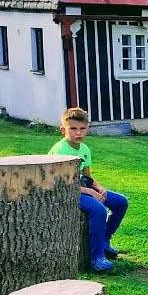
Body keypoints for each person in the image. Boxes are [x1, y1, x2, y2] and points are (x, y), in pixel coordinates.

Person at [48, 107, 128, 272]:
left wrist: (98, 187)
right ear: (63, 129)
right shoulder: (61, 150)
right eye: (73, 129)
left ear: (87, 128)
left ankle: (105, 240)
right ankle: (97, 257)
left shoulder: (84, 149)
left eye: (82, 128)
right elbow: (65, 184)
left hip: (81, 187)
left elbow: (87, 176)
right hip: (64, 192)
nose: (78, 133)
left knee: (120, 202)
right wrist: (91, 192)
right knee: (98, 210)